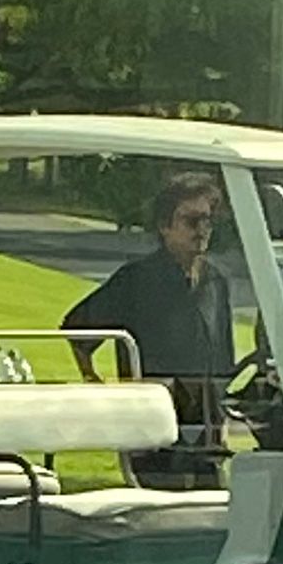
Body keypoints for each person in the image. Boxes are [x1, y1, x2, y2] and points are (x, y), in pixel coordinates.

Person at [62, 172, 235, 488]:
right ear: (165, 226)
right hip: (152, 424)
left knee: (211, 510)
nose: (202, 230)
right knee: (160, 504)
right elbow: (77, 328)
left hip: (206, 428)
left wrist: (222, 414)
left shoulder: (216, 282)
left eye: (207, 221)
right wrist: (97, 385)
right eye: (191, 221)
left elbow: (223, 354)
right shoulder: (136, 281)